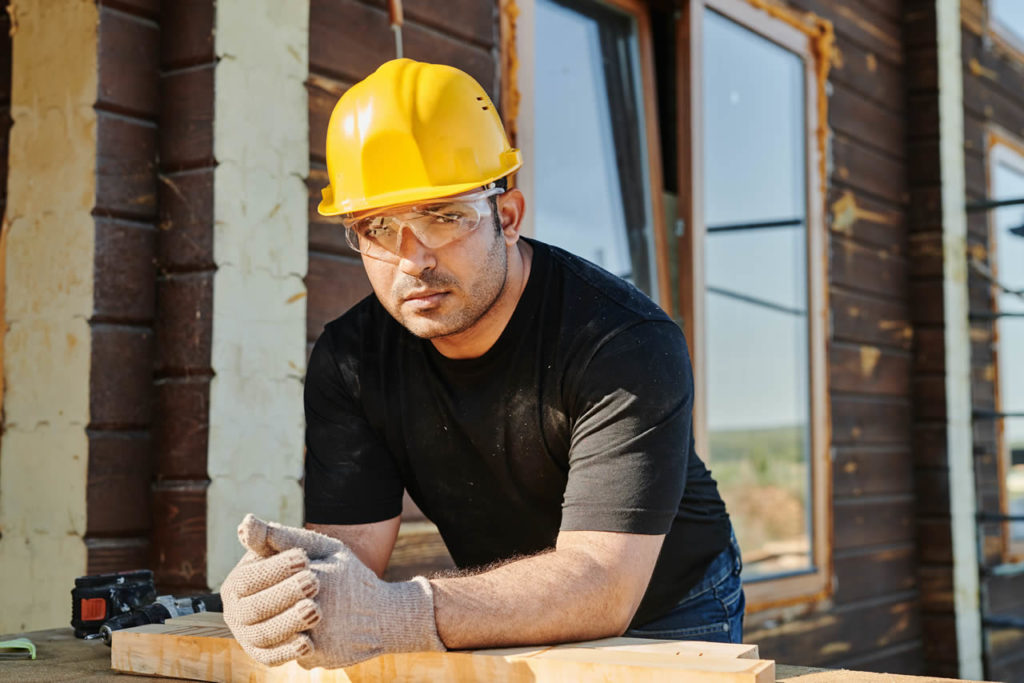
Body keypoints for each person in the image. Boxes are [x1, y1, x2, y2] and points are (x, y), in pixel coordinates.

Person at [220, 58, 743, 670]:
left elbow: (603, 584)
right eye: (378, 227)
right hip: (501, 604)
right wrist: (291, 590)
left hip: (665, 604)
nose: (412, 260)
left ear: (509, 216)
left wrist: (404, 612)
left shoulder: (623, 342)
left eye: (444, 217)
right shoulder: (351, 360)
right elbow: (352, 552)